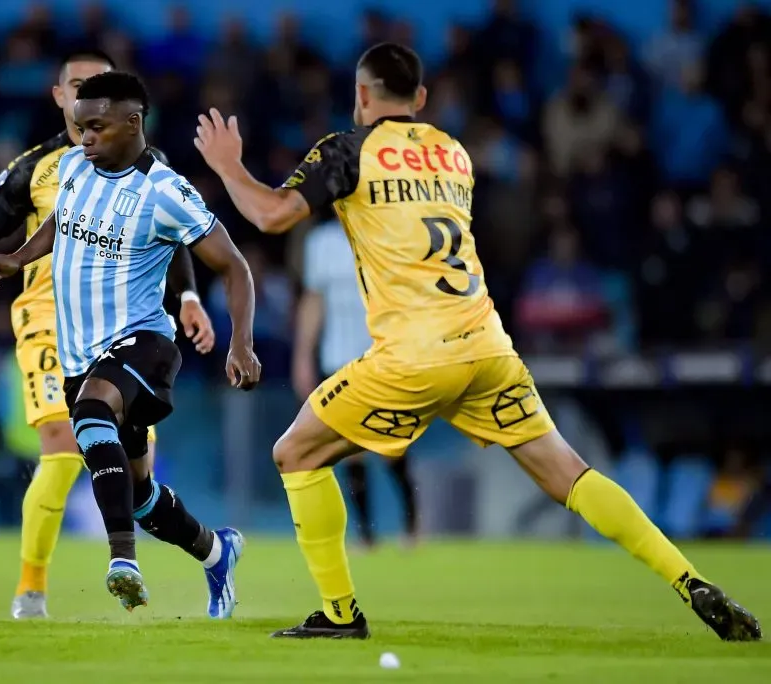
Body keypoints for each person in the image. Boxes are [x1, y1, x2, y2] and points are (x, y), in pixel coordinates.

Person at [193, 42, 761, 641]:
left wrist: (229, 166)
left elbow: (272, 215)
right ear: (420, 98)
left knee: (295, 453)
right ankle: (689, 580)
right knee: (569, 473)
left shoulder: (348, 150)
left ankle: (339, 614)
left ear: (361, 95)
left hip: (414, 355)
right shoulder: (454, 154)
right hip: (488, 347)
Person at [0, 51, 217, 620]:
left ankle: (212, 551)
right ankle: (33, 589)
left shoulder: (148, 167)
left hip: (126, 323)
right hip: (49, 319)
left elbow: (172, 236)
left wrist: (189, 298)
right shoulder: (38, 168)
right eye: (77, 86)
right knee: (61, 440)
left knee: (137, 475)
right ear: (59, 97)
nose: (86, 98)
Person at [0, 71, 261, 616]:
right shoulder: (75, 167)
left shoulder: (165, 192)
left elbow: (234, 266)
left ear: (133, 123)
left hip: (144, 343)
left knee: (89, 412)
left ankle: (122, 561)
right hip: (80, 354)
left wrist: (240, 343)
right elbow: (61, 220)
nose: (84, 139)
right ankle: (216, 551)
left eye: (97, 128)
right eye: (80, 127)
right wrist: (16, 258)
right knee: (141, 494)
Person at [294, 211, 418, 547]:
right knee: (350, 449)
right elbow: (314, 301)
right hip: (338, 361)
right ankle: (366, 534)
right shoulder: (321, 243)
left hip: (382, 358)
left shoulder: (388, 234)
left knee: (391, 445)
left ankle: (412, 524)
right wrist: (303, 356)